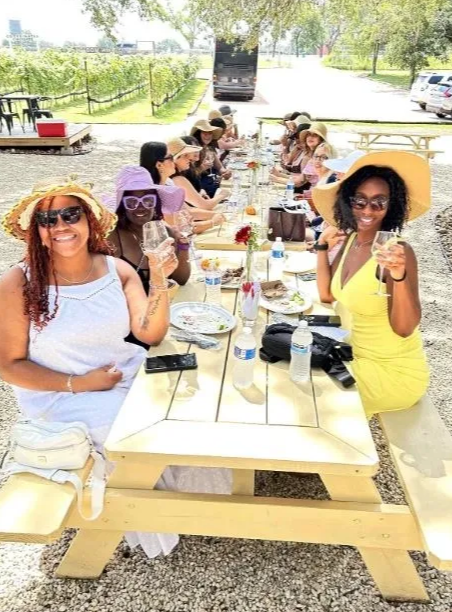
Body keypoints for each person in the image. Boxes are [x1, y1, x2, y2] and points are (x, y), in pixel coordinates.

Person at [0, 176, 231, 558]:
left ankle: (197, 507)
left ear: (89, 220)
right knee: (139, 431)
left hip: (125, 376)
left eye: (70, 214)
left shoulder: (116, 269)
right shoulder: (18, 282)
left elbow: (149, 333)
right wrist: (79, 383)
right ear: (36, 232)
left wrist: (158, 280)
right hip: (61, 396)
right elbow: (9, 365)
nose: (60, 226)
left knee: (194, 407)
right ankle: (153, 515)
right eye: (47, 219)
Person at [313, 151, 430, 418]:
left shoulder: (397, 252)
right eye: (360, 201)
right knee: (293, 368)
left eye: (379, 202)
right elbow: (327, 294)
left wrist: (399, 276)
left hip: (392, 371)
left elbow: (404, 328)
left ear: (392, 206)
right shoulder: (354, 238)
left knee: (311, 393)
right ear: (347, 201)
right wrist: (321, 245)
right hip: (355, 356)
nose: (368, 210)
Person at [107, 166, 190, 349]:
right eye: (131, 202)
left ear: (156, 203)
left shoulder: (165, 233)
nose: (140, 207)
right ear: (122, 206)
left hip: (159, 315)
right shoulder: (112, 238)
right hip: (126, 328)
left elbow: (182, 278)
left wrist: (183, 245)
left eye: (147, 199)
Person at [139, 140, 225, 233]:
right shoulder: (157, 193)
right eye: (171, 157)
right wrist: (212, 222)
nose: (190, 159)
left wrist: (217, 215)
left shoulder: (168, 182)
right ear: (159, 165)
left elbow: (187, 211)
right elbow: (179, 229)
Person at [167, 137, 229, 213]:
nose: (190, 158)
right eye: (185, 155)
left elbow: (188, 210)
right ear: (174, 160)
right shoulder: (177, 179)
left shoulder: (179, 175)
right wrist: (223, 194)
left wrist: (200, 192)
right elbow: (205, 206)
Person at [271, 122, 328, 192]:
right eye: (308, 135)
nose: (310, 137)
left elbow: (299, 182)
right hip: (312, 192)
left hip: (314, 195)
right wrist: (279, 175)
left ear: (321, 139)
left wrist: (276, 178)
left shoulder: (318, 156)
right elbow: (299, 177)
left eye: (315, 135)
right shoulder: (311, 153)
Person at [190, 119, 231, 196]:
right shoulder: (194, 151)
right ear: (198, 134)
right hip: (200, 189)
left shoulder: (210, 147)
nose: (207, 135)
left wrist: (225, 172)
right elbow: (189, 176)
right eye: (204, 133)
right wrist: (202, 168)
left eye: (210, 133)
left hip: (212, 184)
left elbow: (219, 167)